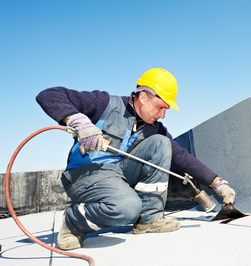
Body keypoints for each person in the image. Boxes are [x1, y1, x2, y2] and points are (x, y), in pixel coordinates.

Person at [36, 67, 236, 250]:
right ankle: (73, 221)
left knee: (161, 143)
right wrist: (78, 121)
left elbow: (181, 157)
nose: (163, 115)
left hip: (118, 174)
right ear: (143, 97)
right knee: (127, 208)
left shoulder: (153, 128)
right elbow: (48, 95)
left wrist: (217, 183)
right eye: (161, 107)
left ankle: (148, 219)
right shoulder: (104, 104)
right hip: (86, 174)